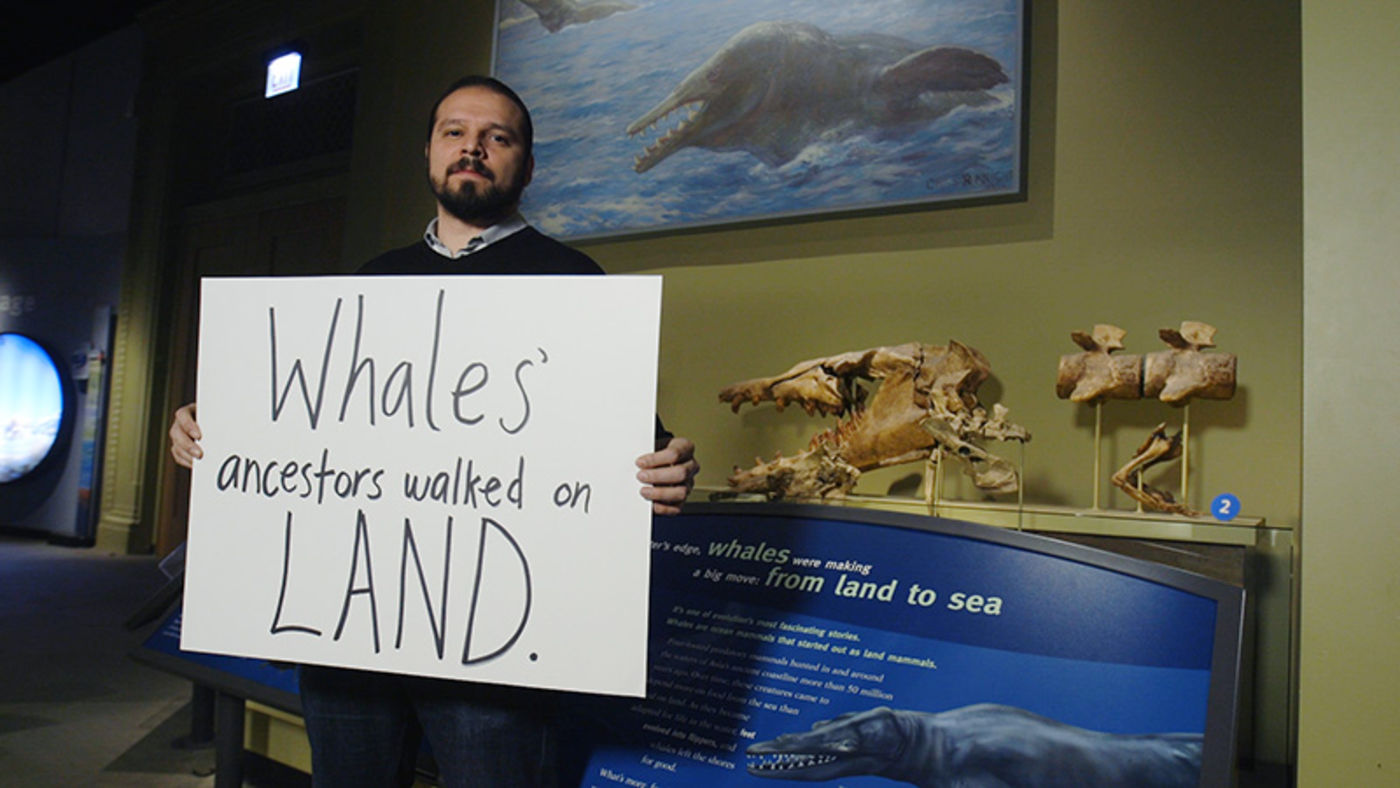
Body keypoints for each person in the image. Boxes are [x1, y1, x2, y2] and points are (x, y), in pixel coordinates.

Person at [168, 75, 699, 787]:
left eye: (497, 136)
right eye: (455, 132)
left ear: (527, 166)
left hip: (501, 649)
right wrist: (217, 430)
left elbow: (635, 452)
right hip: (351, 639)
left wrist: (667, 467)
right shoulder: (372, 281)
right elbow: (321, 440)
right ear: (429, 153)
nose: (473, 147)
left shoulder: (576, 283)